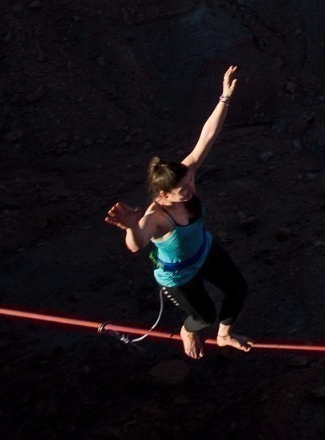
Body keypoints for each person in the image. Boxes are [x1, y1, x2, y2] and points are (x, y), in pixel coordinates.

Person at [104, 65, 253, 359]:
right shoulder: (156, 216)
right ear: (163, 195)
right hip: (179, 275)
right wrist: (133, 225)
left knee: (238, 289)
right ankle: (188, 330)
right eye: (182, 188)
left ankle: (224, 336)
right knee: (204, 316)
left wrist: (224, 98)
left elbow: (206, 139)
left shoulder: (185, 178)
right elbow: (136, 245)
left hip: (205, 251)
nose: (190, 188)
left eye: (189, 182)